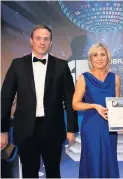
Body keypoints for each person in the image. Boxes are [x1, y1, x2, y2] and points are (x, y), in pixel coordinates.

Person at [1, 24, 78, 178]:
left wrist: (71, 129)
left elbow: (71, 100)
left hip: (53, 128)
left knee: (53, 171)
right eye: (38, 38)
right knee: (29, 173)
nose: (42, 42)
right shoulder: (17, 64)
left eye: (46, 39)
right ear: (31, 41)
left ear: (50, 43)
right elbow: (5, 98)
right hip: (25, 129)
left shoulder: (61, 66)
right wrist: (3, 130)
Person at [72, 43, 120, 178]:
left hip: (109, 127)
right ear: (90, 59)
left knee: (109, 160)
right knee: (93, 160)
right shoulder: (84, 78)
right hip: (91, 126)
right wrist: (94, 106)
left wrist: (121, 121)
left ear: (108, 57)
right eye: (95, 55)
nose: (99, 58)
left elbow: (117, 104)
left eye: (102, 54)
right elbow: (75, 104)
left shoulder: (115, 78)